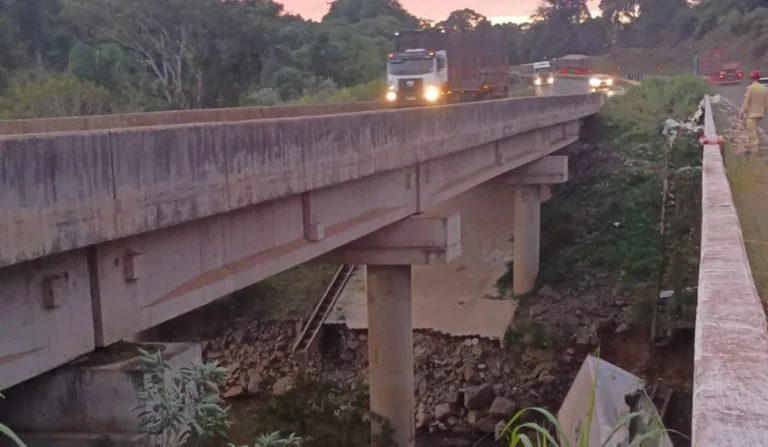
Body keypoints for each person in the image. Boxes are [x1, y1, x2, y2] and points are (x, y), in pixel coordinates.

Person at [740, 70, 768, 155]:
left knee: (751, 131)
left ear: (751, 78)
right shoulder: (764, 88)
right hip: (760, 114)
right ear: (759, 78)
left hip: (752, 114)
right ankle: (750, 146)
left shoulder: (750, 88)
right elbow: (767, 103)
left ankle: (755, 150)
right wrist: (764, 112)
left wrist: (742, 112)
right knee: (754, 130)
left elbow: (746, 101)